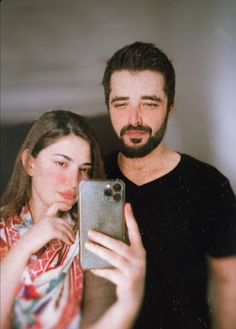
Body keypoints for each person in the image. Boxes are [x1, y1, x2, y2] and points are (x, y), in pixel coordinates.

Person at [102, 41, 236, 329]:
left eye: (149, 104)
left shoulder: (209, 185)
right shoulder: (91, 177)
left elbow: (229, 283)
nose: (134, 118)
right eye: (121, 103)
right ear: (108, 107)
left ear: (170, 107)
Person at [0, 109, 146, 329]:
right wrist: (25, 246)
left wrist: (130, 301)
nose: (74, 181)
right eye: (61, 163)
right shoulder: (3, 230)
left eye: (84, 169)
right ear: (30, 163)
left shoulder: (92, 238)